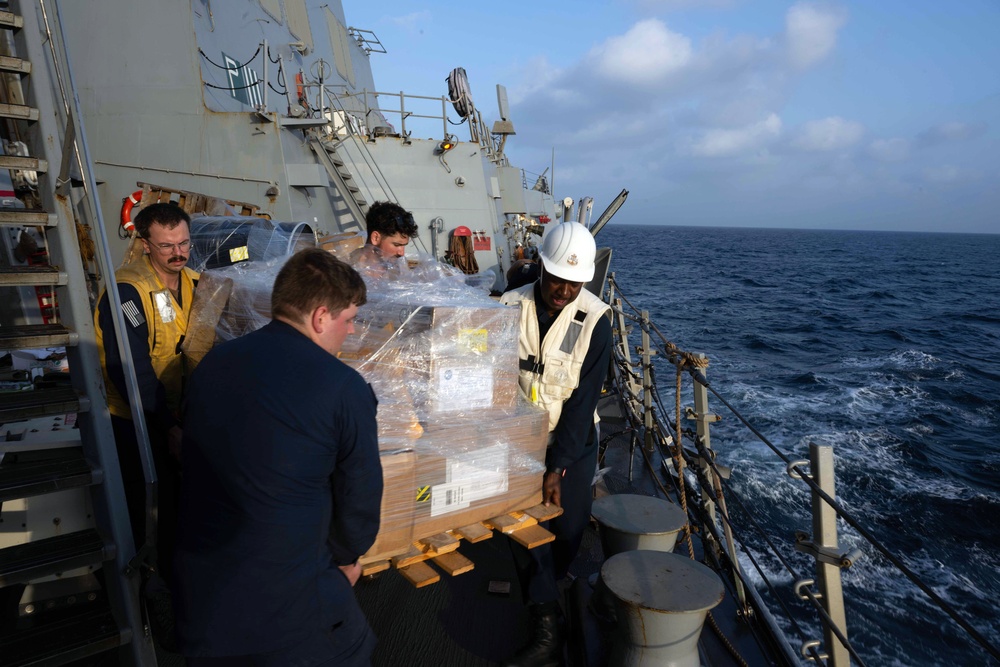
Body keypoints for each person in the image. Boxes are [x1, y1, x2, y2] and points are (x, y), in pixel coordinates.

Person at [173, 248, 383, 666]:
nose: (352, 332)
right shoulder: (344, 388)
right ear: (321, 317)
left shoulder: (213, 365)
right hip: (288, 615)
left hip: (204, 601)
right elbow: (359, 501)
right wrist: (344, 562)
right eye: (350, 320)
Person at [499, 221, 612, 667]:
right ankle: (545, 616)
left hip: (573, 436)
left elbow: (584, 402)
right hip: (516, 435)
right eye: (557, 279)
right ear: (540, 269)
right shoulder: (509, 305)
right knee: (521, 526)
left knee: (569, 524)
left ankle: (555, 578)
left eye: (575, 282)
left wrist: (557, 466)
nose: (564, 290)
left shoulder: (596, 321)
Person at [94, 201, 197, 578]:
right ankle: (153, 587)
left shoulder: (196, 283)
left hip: (179, 414)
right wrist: (168, 427)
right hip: (137, 419)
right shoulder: (128, 291)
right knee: (153, 510)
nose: (178, 253)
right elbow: (131, 369)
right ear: (145, 244)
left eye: (184, 243)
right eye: (167, 246)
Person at [349, 200, 419, 271]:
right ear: (375, 238)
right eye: (396, 245)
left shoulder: (398, 268)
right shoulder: (350, 269)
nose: (401, 253)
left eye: (404, 245)